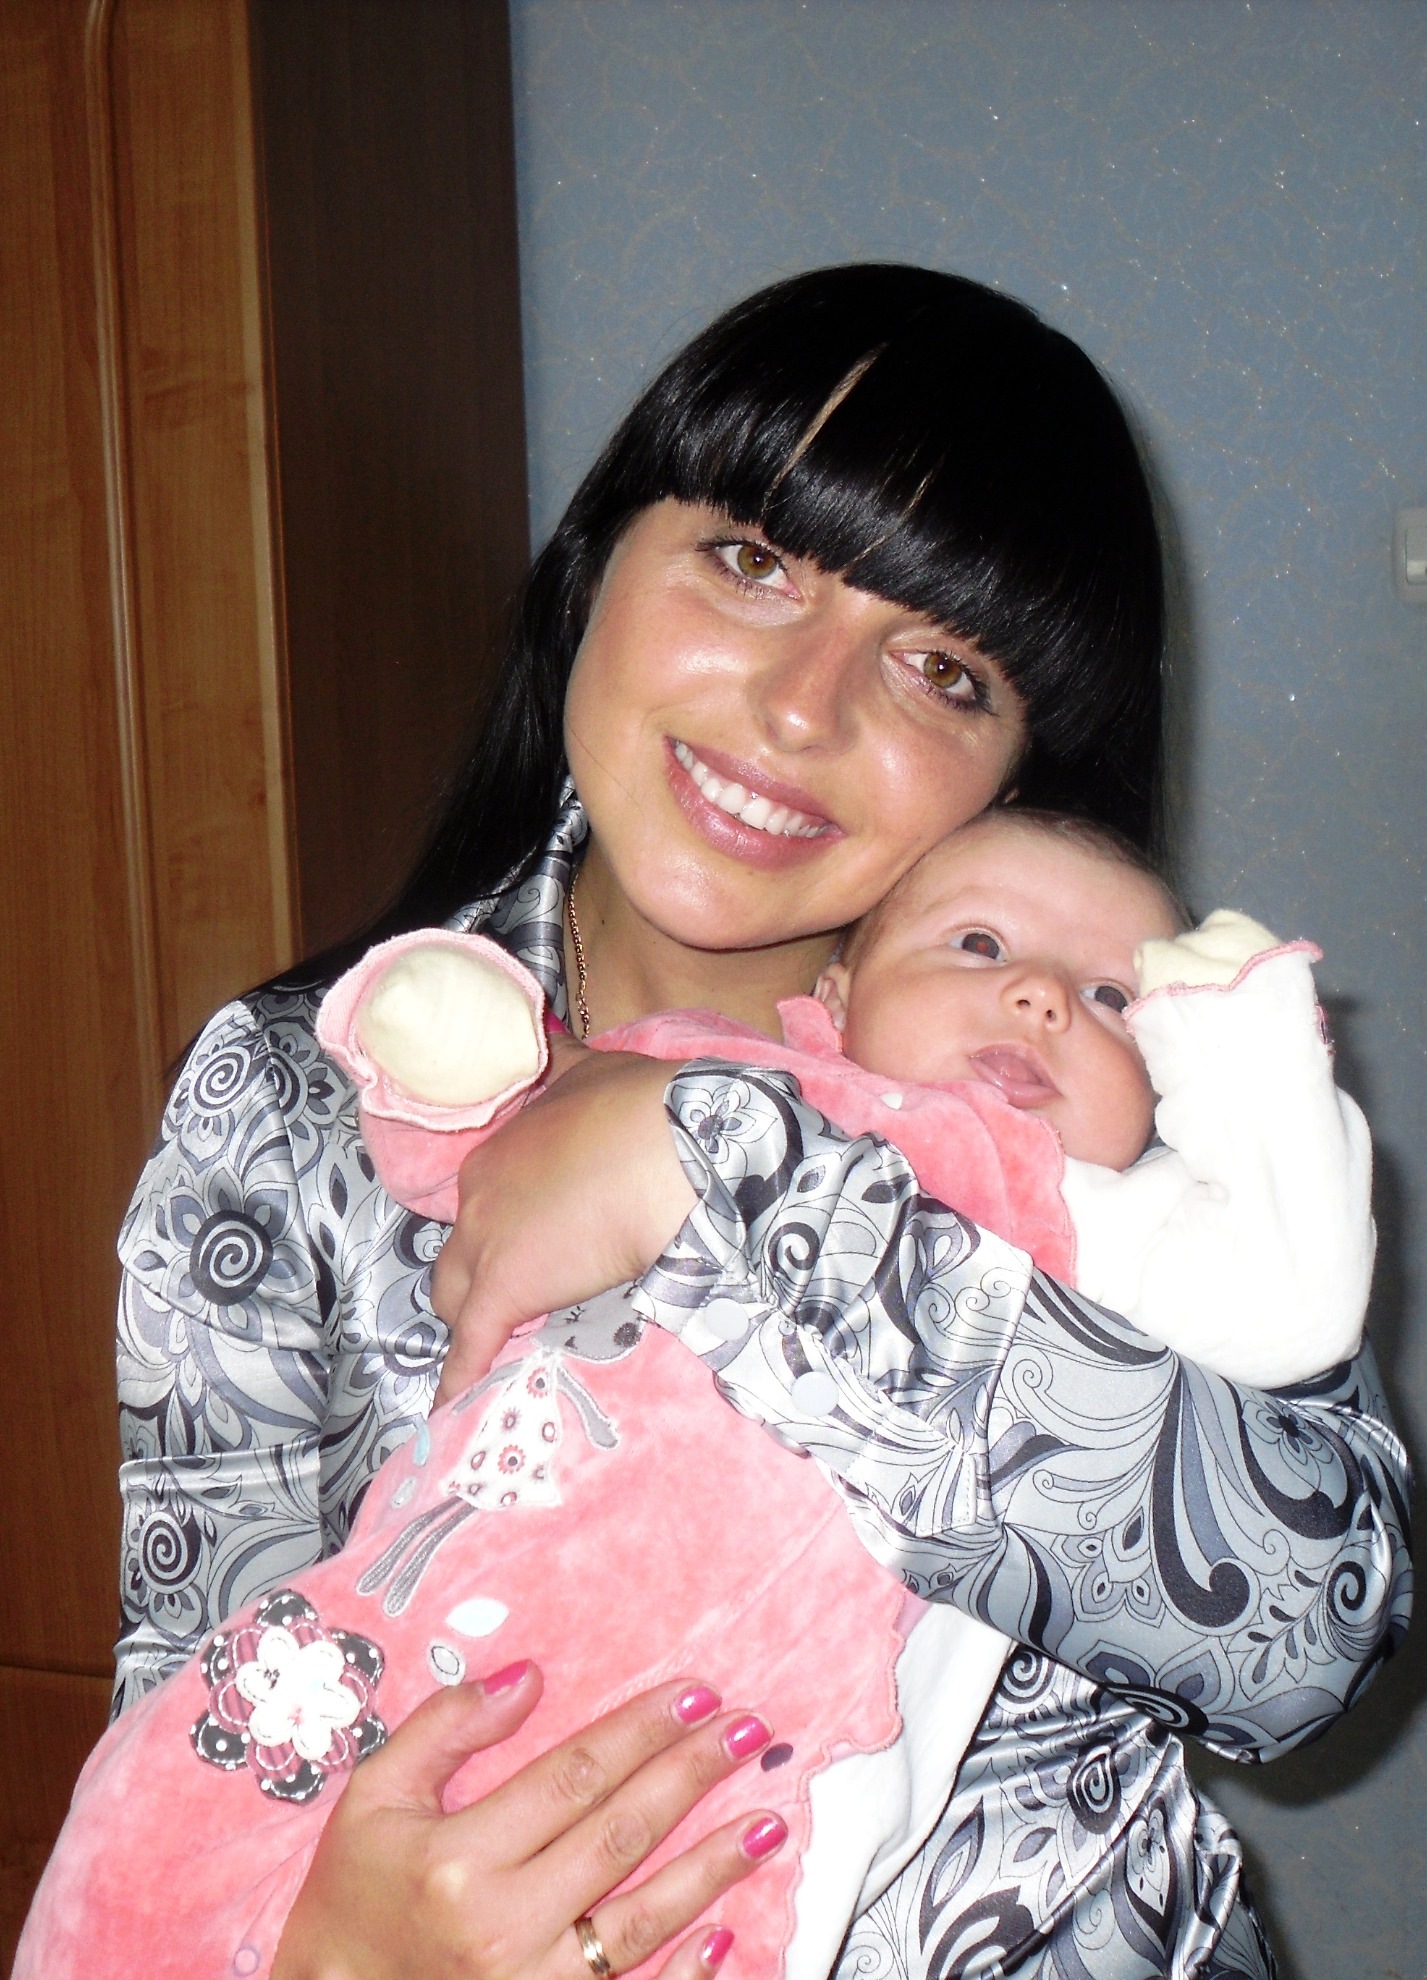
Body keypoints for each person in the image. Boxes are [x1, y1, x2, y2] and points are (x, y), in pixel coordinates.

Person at [101, 266, 1409, 1979]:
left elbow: (1310, 1627)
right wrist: (322, 1956)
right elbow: (193, 1715)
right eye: (750, 562)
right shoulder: (293, 1103)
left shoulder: (1102, 1090)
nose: (803, 708)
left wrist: (712, 1174)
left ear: (1020, 777)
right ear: (595, 567)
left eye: (942, 670)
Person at [17, 810, 1378, 1980]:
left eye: (1116, 1000)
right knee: (147, 1832)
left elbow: (1309, 1593)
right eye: (978, 944)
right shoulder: (316, 1090)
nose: (1041, 1001)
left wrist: (722, 1172)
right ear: (838, 997)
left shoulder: (1125, 1224)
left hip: (759, 1814)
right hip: (395, 1677)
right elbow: (190, 1647)